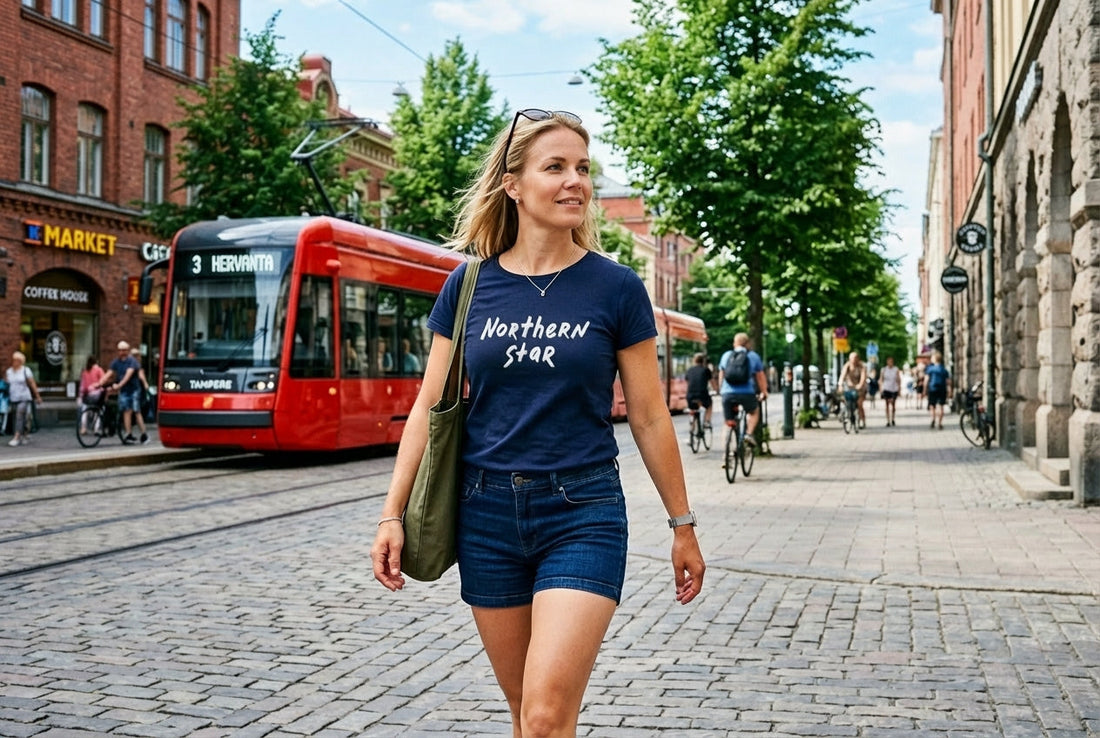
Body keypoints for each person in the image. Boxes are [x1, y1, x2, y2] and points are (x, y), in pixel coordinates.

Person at [370, 108, 704, 737]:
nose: (576, 180)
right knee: (526, 713)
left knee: (547, 713)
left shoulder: (616, 287)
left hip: (583, 509)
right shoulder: (469, 286)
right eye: (556, 167)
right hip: (486, 514)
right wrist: (393, 513)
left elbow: (652, 417)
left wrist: (682, 524)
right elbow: (428, 405)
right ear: (513, 185)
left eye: (583, 168)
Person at [718, 333, 767, 447]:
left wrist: (722, 390)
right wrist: (764, 391)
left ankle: (726, 454)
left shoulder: (726, 355)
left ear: (735, 343)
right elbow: (760, 376)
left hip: (727, 393)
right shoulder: (753, 356)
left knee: (727, 422)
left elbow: (722, 374)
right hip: (747, 393)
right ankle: (749, 434)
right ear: (747, 343)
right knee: (754, 412)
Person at [97, 340, 148, 444]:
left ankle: (144, 434)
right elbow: (109, 373)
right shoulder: (116, 362)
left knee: (136, 411)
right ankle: (128, 434)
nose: (121, 352)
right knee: (126, 411)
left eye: (124, 350)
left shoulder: (132, 361)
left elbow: (127, 376)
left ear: (127, 350)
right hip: (124, 390)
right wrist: (99, 383)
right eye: (120, 350)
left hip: (134, 389)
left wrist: (119, 385)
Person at [5, 351, 42, 446]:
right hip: (13, 398)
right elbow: (7, 384)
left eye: (17, 360)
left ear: (21, 361)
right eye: (13, 360)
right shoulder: (9, 372)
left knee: (19, 416)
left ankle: (17, 437)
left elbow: (32, 383)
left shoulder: (26, 370)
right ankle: (25, 433)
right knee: (21, 418)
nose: (14, 362)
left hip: (24, 397)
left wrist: (37, 396)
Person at [684, 352, 715, 428]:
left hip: (690, 395)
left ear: (694, 361)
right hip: (702, 394)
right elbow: (712, 382)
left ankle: (692, 428)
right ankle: (707, 421)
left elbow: (687, 383)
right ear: (703, 361)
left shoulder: (689, 370)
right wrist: (716, 390)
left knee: (693, 410)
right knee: (709, 404)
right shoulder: (706, 370)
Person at [839, 351, 868, 427]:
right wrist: (840, 385)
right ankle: (846, 414)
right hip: (849, 387)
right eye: (852, 358)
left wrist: (860, 385)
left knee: (859, 404)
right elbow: (842, 376)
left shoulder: (861, 366)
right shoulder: (847, 366)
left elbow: (863, 377)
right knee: (845, 399)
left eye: (855, 358)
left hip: (860, 388)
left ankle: (862, 420)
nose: (854, 360)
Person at [78, 355, 105, 434]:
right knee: (99, 410)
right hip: (97, 395)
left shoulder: (85, 371)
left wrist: (80, 395)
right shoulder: (99, 370)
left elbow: (82, 385)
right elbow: (103, 381)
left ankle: (83, 428)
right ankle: (96, 428)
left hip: (86, 395)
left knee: (84, 410)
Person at [924, 351, 951, 429]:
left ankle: (933, 419)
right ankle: (940, 423)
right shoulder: (944, 370)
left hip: (932, 389)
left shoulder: (930, 369)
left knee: (932, 406)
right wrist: (950, 391)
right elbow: (948, 381)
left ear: (935, 359)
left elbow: (926, 379)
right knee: (941, 406)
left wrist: (924, 390)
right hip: (942, 389)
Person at [879, 356, 901, 426]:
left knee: (893, 404)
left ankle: (893, 418)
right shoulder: (884, 369)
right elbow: (881, 379)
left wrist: (899, 388)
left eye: (891, 361)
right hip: (886, 388)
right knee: (887, 404)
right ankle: (888, 420)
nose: (890, 363)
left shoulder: (896, 369)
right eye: (889, 361)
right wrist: (881, 389)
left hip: (894, 388)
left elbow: (898, 379)